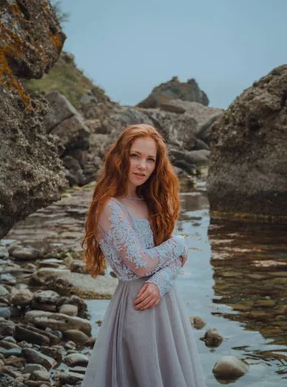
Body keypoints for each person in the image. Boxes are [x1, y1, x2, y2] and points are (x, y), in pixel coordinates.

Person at [81, 124, 206, 386]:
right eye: (135, 156)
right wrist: (181, 243)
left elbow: (174, 260)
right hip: (137, 304)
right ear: (120, 157)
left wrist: (161, 281)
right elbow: (141, 264)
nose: (142, 166)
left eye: (150, 159)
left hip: (164, 298)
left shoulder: (151, 202)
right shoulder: (109, 206)